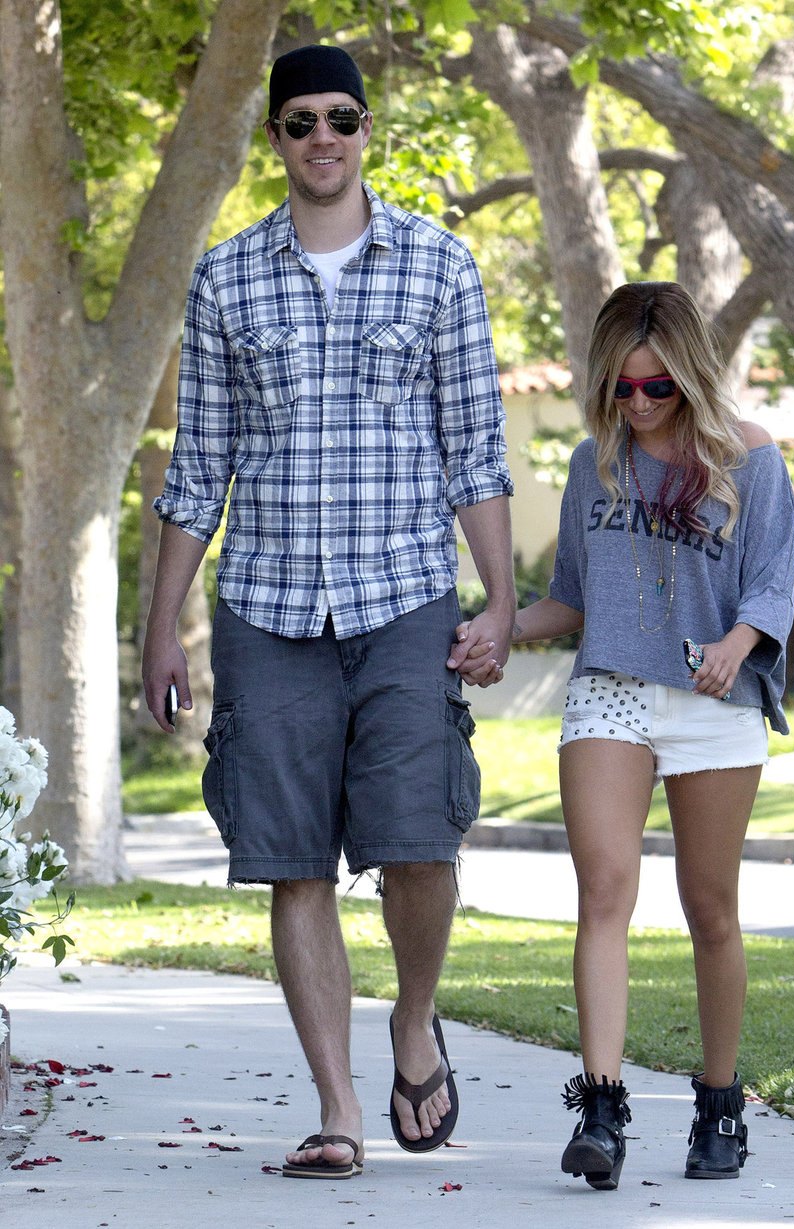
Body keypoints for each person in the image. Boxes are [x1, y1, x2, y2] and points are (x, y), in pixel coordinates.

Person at [142, 44, 514, 1181]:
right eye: (298, 121)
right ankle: (338, 1108)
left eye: (339, 119)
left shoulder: (442, 267)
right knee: (291, 860)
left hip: (404, 596)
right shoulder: (225, 278)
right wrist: (157, 627)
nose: (321, 138)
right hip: (265, 605)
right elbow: (197, 467)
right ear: (275, 137)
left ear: (366, 131)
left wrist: (499, 600)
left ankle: (413, 1018)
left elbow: (476, 453)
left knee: (416, 846)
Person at [452, 281, 794, 1190]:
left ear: (691, 378)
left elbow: (770, 586)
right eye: (623, 388)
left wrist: (735, 647)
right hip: (610, 691)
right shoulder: (592, 465)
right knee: (604, 890)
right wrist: (496, 626)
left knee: (709, 911)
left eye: (659, 389)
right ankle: (601, 1109)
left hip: (713, 704)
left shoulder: (753, 461)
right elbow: (572, 595)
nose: (640, 405)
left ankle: (719, 1104)